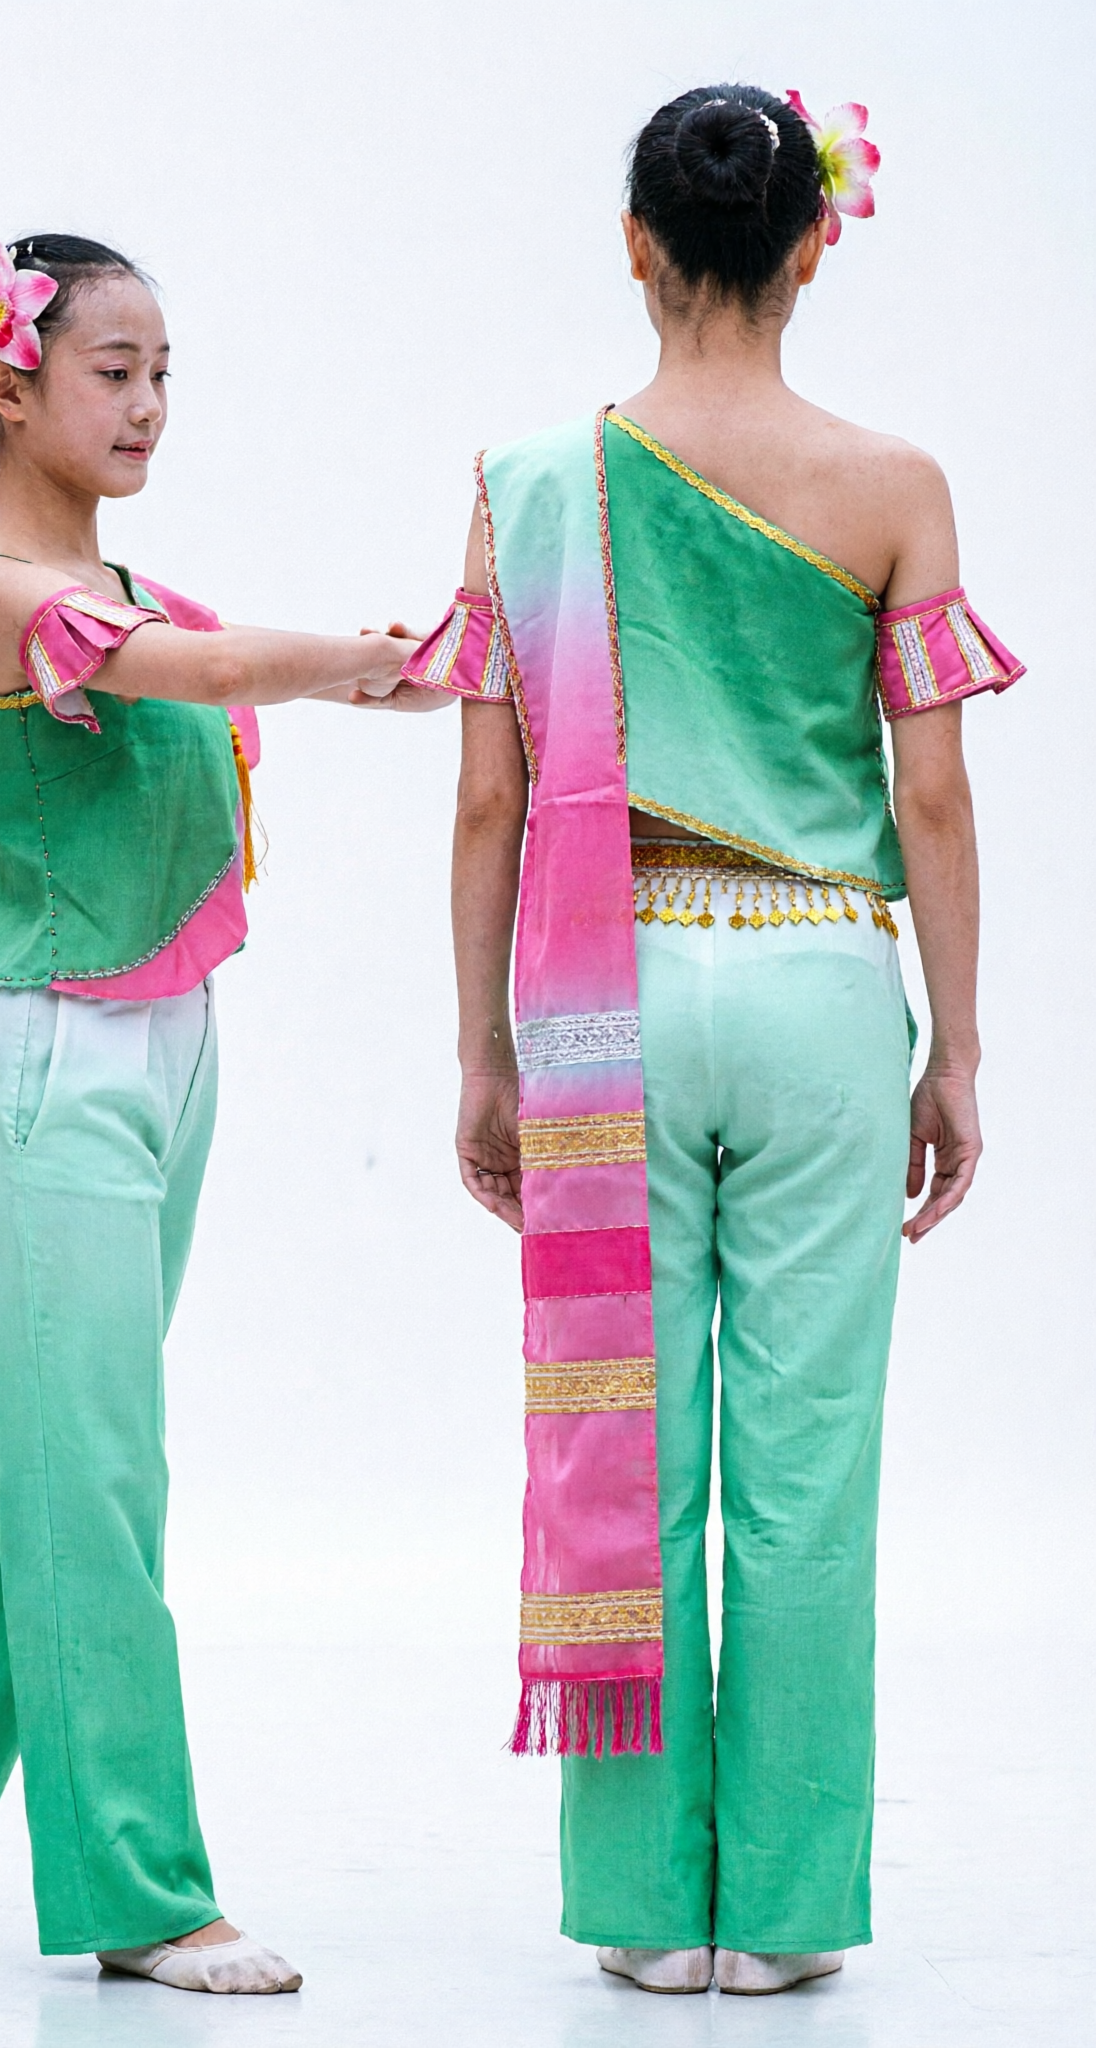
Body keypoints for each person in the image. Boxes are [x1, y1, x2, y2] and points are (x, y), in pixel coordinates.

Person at [0, 232, 444, 1996]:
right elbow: (181, 674)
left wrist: (381, 665)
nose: (143, 403)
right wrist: (354, 664)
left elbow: (204, 660)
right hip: (54, 1068)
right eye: (109, 369)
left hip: (164, 1057)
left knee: (41, 1472)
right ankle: (142, 1891)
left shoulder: (128, 579)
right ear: (7, 379)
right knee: (104, 1479)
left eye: (160, 373)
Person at [391, 86, 1020, 1997]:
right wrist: (960, 1048)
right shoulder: (894, 486)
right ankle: (797, 1912)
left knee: (624, 1452)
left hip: (609, 997)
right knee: (809, 1470)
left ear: (639, 248)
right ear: (816, 244)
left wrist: (484, 1058)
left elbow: (489, 805)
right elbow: (933, 805)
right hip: (825, 981)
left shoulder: (530, 486)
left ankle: (650, 1910)